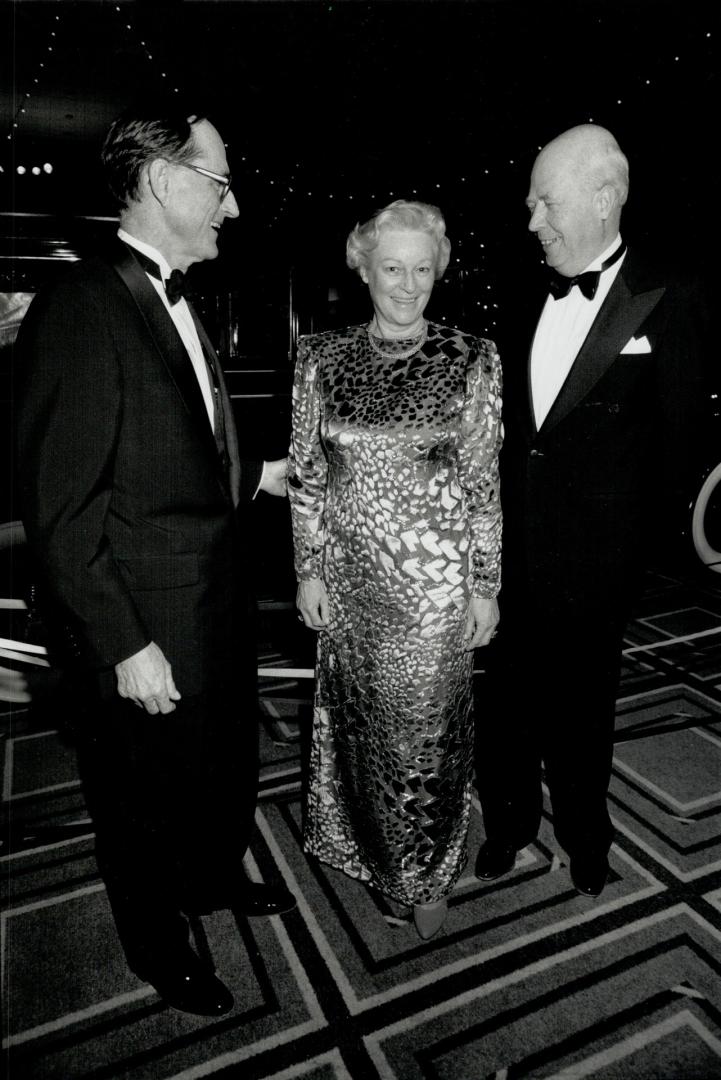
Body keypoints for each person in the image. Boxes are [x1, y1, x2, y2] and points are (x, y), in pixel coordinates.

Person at [14, 100, 296, 1016]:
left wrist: (262, 473)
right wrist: (124, 643)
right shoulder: (82, 306)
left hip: (213, 599)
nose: (233, 207)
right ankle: (156, 947)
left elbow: (179, 439)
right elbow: (64, 514)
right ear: (166, 183)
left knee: (215, 767)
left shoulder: (174, 292)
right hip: (143, 622)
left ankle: (211, 877)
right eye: (220, 184)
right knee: (136, 799)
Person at [474, 124, 709, 898]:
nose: (532, 221)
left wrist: (630, 552)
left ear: (604, 198)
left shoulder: (669, 292)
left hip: (596, 564)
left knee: (582, 713)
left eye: (546, 203)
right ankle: (508, 826)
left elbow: (679, 443)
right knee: (504, 702)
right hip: (507, 554)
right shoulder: (518, 287)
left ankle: (584, 836)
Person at [288, 200, 502, 940]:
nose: (407, 285)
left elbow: (482, 487)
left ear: (437, 270)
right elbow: (310, 477)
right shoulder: (319, 357)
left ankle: (427, 868)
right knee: (362, 734)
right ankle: (379, 855)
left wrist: (484, 586)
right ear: (363, 269)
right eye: (391, 268)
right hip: (349, 585)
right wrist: (307, 570)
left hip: (434, 593)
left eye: (421, 269)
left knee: (428, 739)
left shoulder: (472, 357)